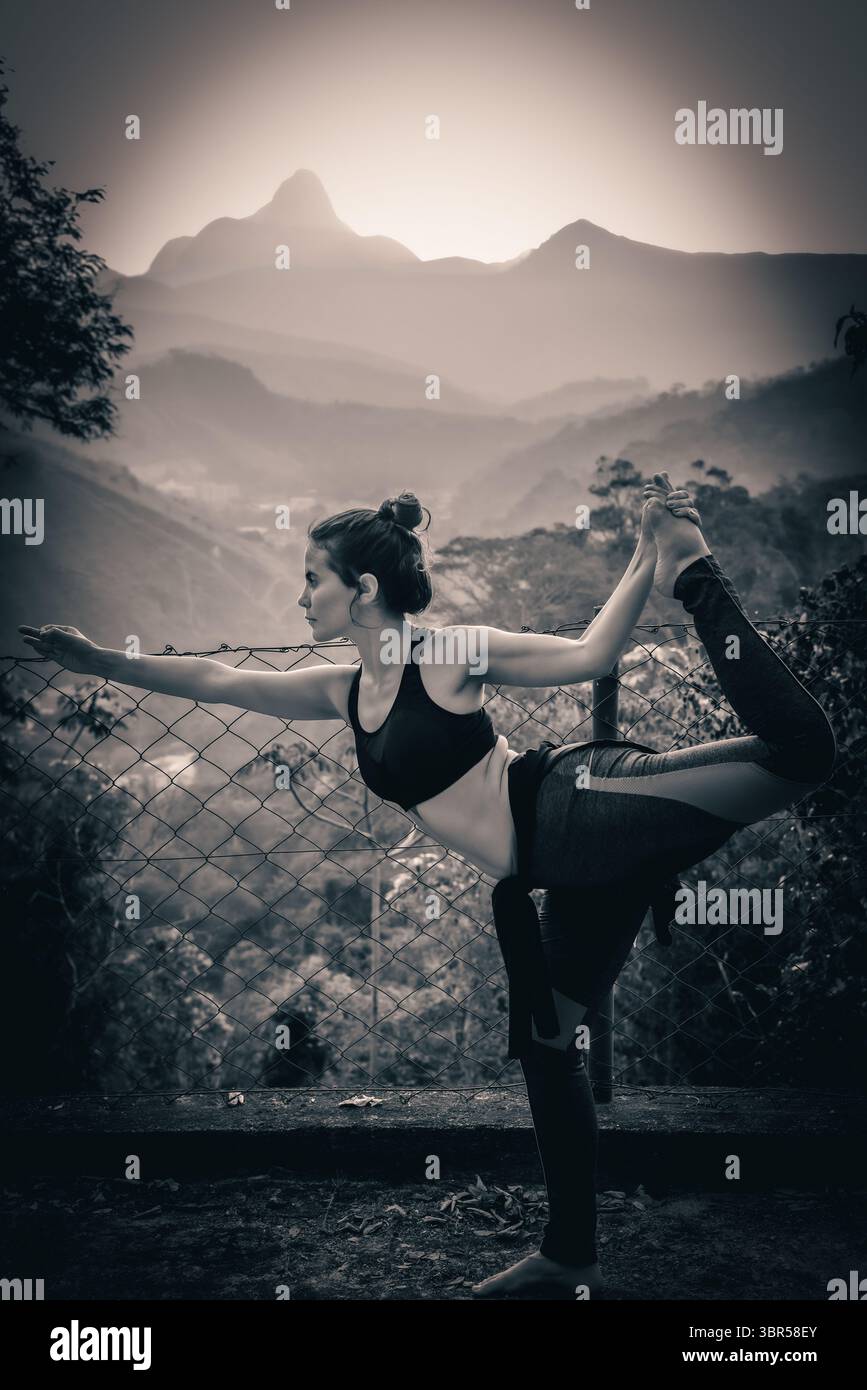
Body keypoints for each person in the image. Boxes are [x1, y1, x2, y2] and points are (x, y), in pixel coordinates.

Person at [19, 474, 836, 1301]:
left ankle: (695, 568)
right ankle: (570, 1257)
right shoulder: (344, 688)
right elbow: (222, 682)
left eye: (313, 579)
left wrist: (660, 559)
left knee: (798, 755)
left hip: (580, 812)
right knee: (550, 1054)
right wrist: (102, 661)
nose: (302, 597)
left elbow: (590, 656)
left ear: (362, 588)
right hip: (555, 872)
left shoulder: (445, 655)